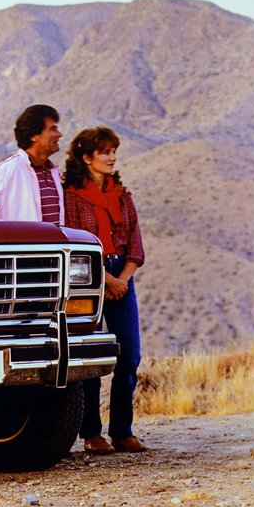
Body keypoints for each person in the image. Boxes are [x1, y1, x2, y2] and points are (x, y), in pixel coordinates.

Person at [62, 127, 147, 454]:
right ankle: (91, 433)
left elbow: (136, 244)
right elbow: (71, 241)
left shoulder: (122, 195)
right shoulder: (70, 196)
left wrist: (122, 278)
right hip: (88, 278)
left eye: (114, 151)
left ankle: (123, 430)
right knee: (91, 353)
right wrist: (105, 280)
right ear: (86, 157)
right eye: (104, 152)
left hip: (122, 277)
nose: (112, 157)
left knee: (130, 354)